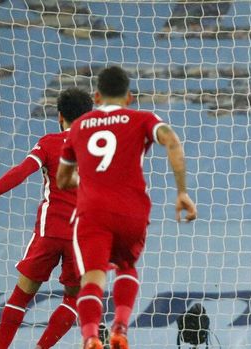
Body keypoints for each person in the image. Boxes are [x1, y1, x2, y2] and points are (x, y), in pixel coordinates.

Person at [56, 65, 197, 349]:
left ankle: (91, 336)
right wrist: (181, 192)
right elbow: (171, 140)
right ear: (130, 97)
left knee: (92, 278)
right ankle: (120, 326)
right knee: (126, 266)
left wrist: (88, 178)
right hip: (132, 211)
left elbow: (62, 179)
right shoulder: (143, 118)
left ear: (96, 97)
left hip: (93, 213)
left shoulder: (79, 127)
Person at [0, 87, 94, 349]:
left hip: (50, 231)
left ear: (59, 116)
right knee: (73, 299)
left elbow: (21, 172)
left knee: (21, 296)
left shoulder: (49, 143)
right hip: (83, 237)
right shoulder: (102, 149)